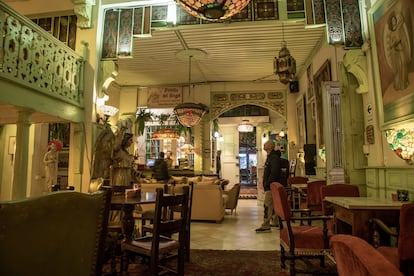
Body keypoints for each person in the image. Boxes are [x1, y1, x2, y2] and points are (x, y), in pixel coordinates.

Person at [256, 140, 282, 233]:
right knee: (274, 205)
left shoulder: (274, 158)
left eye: (266, 144)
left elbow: (274, 172)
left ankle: (266, 225)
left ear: (270, 146)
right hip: (271, 185)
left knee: (267, 205)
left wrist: (268, 183)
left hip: (271, 186)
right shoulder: (270, 157)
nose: (264, 145)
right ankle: (275, 222)